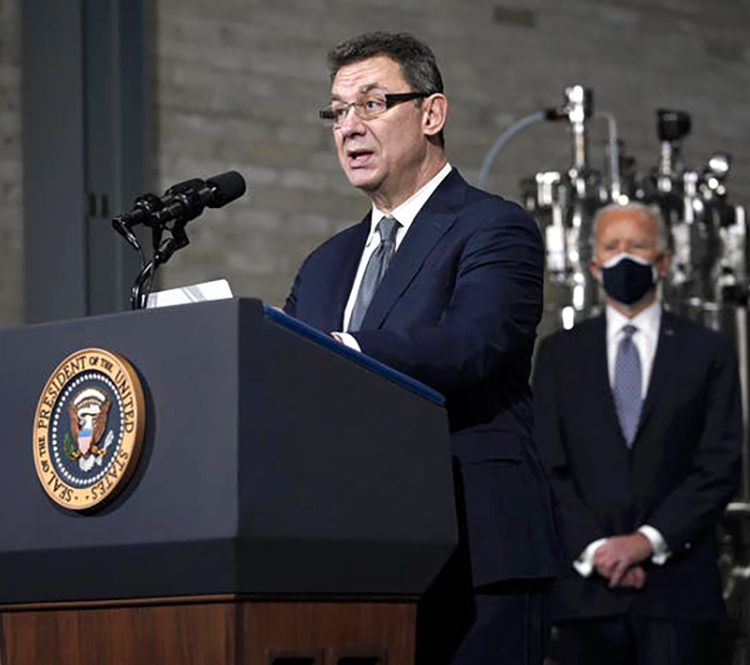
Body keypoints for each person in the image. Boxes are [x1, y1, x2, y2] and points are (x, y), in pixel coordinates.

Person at [283, 31, 560, 665]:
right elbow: (289, 380)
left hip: (475, 548)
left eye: (371, 103)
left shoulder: (494, 227)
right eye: (337, 111)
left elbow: (472, 345)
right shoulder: (325, 264)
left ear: (431, 113)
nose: (349, 127)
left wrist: (343, 350)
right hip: (356, 556)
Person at [533, 202, 743, 665]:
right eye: (612, 246)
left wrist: (645, 541)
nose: (623, 257)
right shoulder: (558, 355)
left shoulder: (708, 352)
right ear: (594, 265)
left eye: (637, 246)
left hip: (679, 594)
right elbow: (546, 466)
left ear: (663, 261)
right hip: (586, 595)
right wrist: (598, 550)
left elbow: (719, 465)